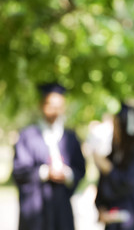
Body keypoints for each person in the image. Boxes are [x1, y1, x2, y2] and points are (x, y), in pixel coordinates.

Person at [12, 83, 86, 230]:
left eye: (59, 106)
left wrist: (67, 174)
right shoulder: (28, 136)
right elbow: (19, 171)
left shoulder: (70, 137)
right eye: (50, 105)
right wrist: (45, 172)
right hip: (35, 207)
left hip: (61, 208)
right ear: (42, 105)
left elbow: (80, 168)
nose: (54, 111)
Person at [94, 103, 134, 230]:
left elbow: (128, 183)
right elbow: (102, 189)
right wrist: (101, 208)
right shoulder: (113, 155)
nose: (114, 130)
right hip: (112, 224)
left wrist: (108, 169)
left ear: (125, 127)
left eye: (116, 126)